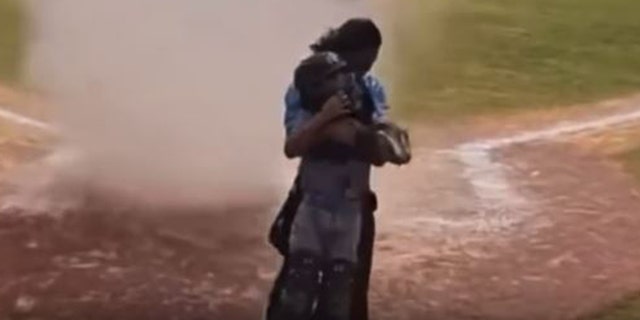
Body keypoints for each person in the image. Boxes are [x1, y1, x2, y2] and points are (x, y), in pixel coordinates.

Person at [267, 18, 408, 320]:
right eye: (362, 61)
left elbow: (383, 152)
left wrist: (362, 135)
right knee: (296, 292)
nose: (365, 70)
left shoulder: (371, 88)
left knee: (346, 298)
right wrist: (330, 124)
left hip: (354, 206)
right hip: (313, 201)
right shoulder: (309, 84)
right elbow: (293, 146)